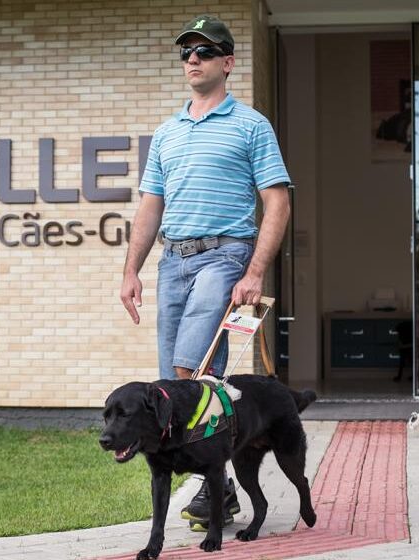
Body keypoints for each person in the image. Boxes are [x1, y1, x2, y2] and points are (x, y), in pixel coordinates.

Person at [119, 14, 292, 531]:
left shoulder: (251, 125)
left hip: (224, 257)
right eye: (186, 52)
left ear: (228, 62)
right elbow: (151, 205)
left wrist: (255, 270)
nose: (192, 58)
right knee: (196, 374)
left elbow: (277, 203)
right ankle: (220, 480)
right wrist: (132, 270)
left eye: (204, 50)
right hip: (172, 262)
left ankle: (200, 479)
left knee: (182, 373)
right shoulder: (168, 133)